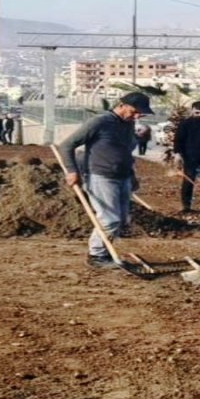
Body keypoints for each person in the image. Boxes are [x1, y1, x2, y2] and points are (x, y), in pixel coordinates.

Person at [58, 92, 155, 269]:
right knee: (109, 219)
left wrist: (131, 175)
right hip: (100, 176)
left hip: (123, 176)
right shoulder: (100, 122)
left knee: (122, 219)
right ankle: (96, 255)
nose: (137, 116)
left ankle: (105, 251)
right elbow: (67, 145)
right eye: (134, 111)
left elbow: (124, 152)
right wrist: (72, 171)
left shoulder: (128, 124)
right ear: (122, 105)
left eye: (140, 113)